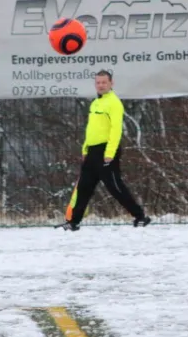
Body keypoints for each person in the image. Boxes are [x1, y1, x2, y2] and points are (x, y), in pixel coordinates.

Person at [58, 70, 150, 231]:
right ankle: (74, 221)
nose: (101, 85)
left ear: (111, 84)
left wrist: (109, 153)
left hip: (106, 151)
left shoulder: (114, 103)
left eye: (104, 82)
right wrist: (85, 147)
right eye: (98, 83)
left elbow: (116, 130)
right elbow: (91, 128)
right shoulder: (95, 103)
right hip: (92, 151)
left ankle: (140, 216)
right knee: (84, 187)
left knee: (115, 187)